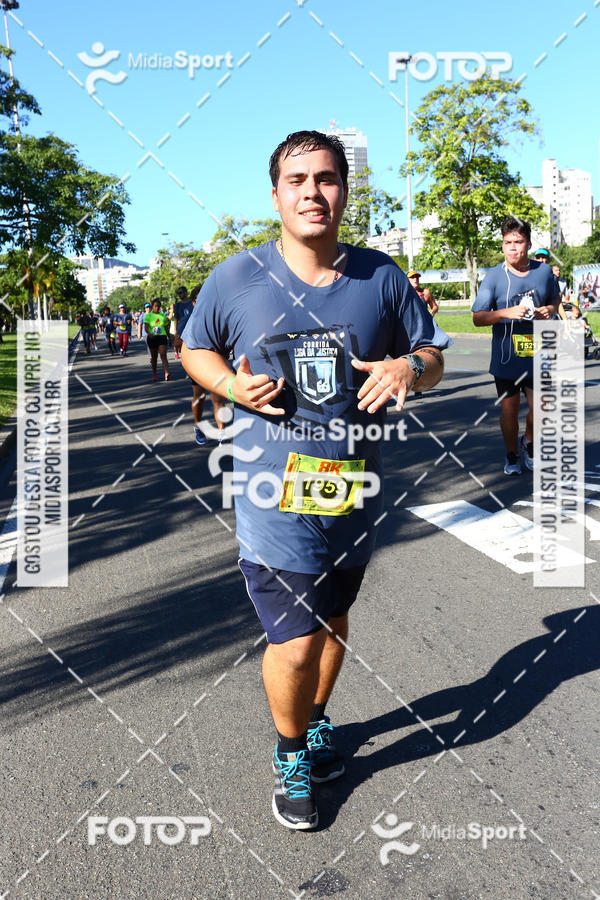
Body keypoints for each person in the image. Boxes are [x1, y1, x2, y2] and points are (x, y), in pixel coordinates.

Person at [181, 130, 449, 830]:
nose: (312, 192)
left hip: (353, 491)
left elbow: (431, 352)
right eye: (297, 180)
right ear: (275, 195)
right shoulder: (236, 278)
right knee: (295, 639)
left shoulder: (382, 278)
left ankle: (319, 721)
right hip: (273, 494)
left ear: (344, 191)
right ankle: (291, 750)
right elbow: (195, 346)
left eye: (326, 178)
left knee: (332, 621)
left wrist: (408, 370)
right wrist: (230, 387)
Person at [472, 218, 559, 476]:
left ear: (528, 244)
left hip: (538, 351)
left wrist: (551, 309)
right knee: (509, 411)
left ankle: (529, 444)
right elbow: (478, 317)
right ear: (502, 245)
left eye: (518, 242)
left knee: (541, 407)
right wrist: (506, 312)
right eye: (507, 243)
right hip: (507, 356)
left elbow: (554, 296)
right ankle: (511, 455)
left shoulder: (543, 272)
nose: (512, 248)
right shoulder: (494, 277)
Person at [173, 284, 226, 445]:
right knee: (200, 396)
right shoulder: (190, 320)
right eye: (199, 298)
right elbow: (181, 341)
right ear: (194, 302)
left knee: (218, 398)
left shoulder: (218, 315)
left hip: (217, 361)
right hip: (198, 362)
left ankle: (222, 432)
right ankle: (198, 425)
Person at [145, 298, 171, 381]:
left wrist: (169, 337)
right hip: (152, 337)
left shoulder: (163, 316)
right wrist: (149, 334)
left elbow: (166, 328)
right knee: (154, 357)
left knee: (163, 355)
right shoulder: (148, 316)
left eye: (158, 306)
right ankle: (154, 372)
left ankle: (166, 372)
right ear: (152, 306)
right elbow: (146, 328)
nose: (157, 308)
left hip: (161, 337)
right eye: (155, 306)